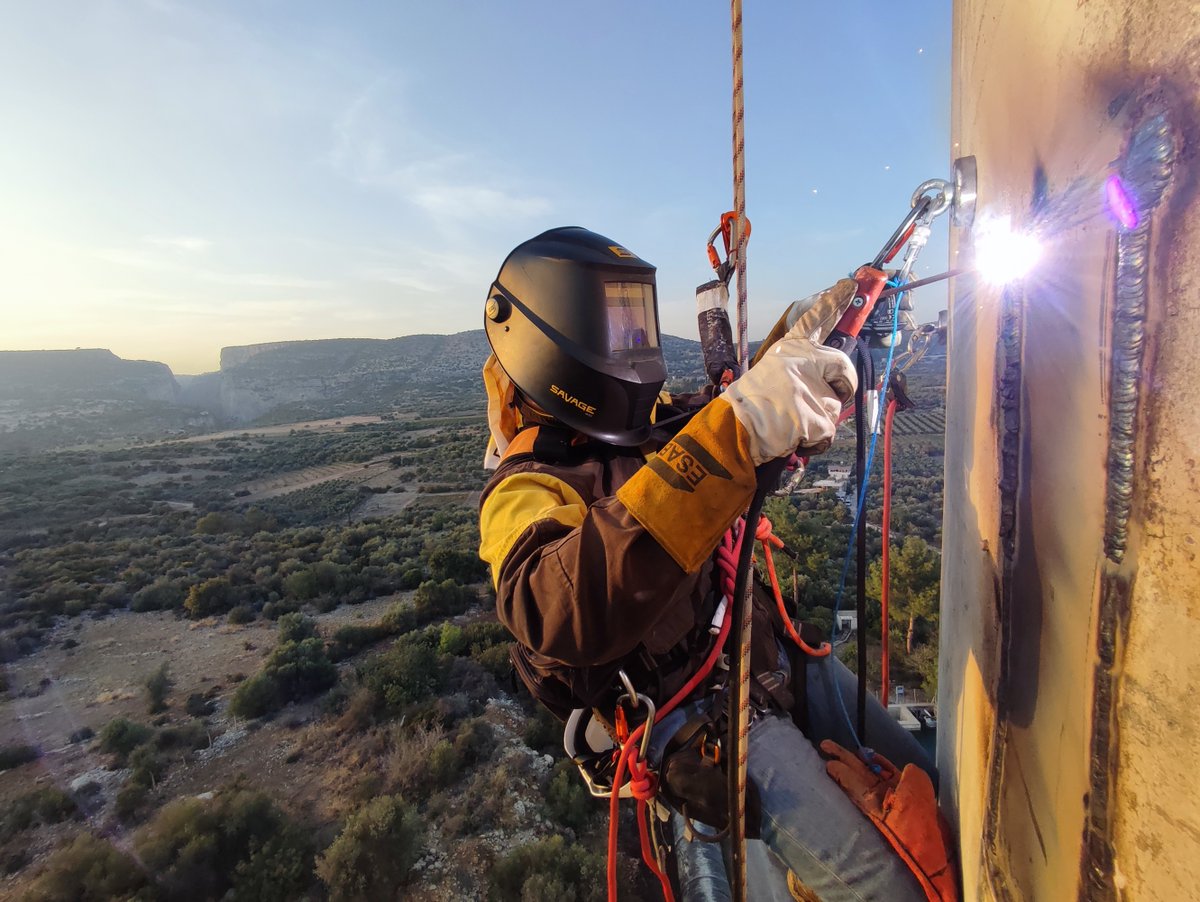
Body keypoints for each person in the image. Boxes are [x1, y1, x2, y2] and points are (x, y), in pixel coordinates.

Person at [478, 226, 954, 901]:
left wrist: (812, 336)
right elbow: (554, 605)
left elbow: (729, 421)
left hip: (763, 654)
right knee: (893, 892)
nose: (633, 341)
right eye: (619, 322)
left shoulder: (647, 428)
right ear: (557, 340)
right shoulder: (526, 488)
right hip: (694, 717)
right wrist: (739, 428)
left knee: (934, 792)